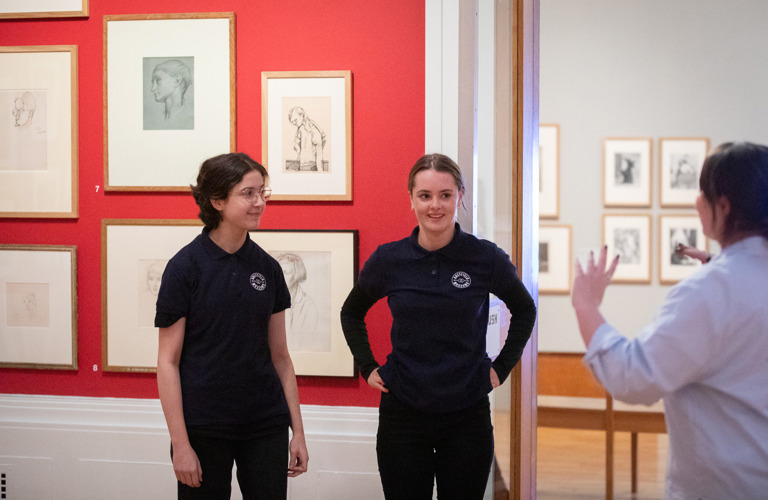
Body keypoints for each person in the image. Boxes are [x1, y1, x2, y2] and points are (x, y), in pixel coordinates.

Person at [571, 142, 768, 498]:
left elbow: (633, 377)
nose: (696, 201)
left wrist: (586, 304)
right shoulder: (727, 283)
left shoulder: (710, 291)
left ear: (722, 206)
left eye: (701, 192)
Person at [340, 153, 537, 500]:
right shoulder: (389, 259)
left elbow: (524, 310)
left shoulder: (485, 257)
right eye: (425, 195)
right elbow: (351, 312)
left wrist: (500, 369)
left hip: (467, 415)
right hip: (403, 416)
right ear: (411, 199)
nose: (435, 205)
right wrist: (367, 366)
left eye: (445, 195)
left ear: (460, 196)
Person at [155, 152, 308, 499]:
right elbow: (168, 361)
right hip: (204, 428)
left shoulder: (268, 269)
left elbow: (280, 357)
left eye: (262, 192)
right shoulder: (184, 268)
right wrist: (180, 445)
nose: (258, 202)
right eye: (248, 193)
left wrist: (297, 431)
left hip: (265, 425)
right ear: (217, 200)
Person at [147, 59, 194, 130]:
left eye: (158, 80)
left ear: (177, 80)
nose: (153, 89)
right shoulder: (155, 120)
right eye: (153, 83)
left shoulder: (190, 120)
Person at [287, 107, 326, 171]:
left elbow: (319, 149)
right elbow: (295, 143)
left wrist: (320, 170)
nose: (294, 123)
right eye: (292, 122)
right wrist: (297, 148)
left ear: (302, 116)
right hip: (302, 164)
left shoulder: (313, 128)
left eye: (295, 120)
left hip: (312, 165)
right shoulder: (300, 129)